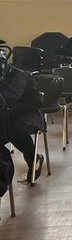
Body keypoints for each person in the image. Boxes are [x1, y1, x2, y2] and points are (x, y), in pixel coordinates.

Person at [0, 52, 43, 183]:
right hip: (5, 115)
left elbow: (36, 101)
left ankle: (32, 158)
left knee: (12, 128)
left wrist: (11, 110)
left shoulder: (22, 77)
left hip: (25, 114)